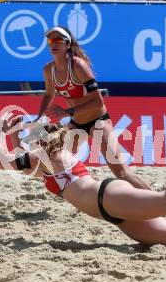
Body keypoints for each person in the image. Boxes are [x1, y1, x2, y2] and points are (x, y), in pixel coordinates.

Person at [0, 115, 166, 250]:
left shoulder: (44, 156)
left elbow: (9, 162)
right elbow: (22, 165)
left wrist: (2, 131)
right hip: (112, 212)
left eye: (32, 137)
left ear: (40, 141)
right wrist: (14, 136)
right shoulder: (46, 159)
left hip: (108, 197)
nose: (30, 141)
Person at [38, 26, 151, 191]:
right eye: (50, 40)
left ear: (67, 44)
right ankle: (80, 194)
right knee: (52, 159)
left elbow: (98, 102)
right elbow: (49, 95)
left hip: (98, 121)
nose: (53, 44)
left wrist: (66, 112)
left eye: (58, 40)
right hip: (77, 123)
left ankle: (156, 201)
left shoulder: (78, 65)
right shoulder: (49, 70)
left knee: (121, 172)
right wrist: (39, 118)